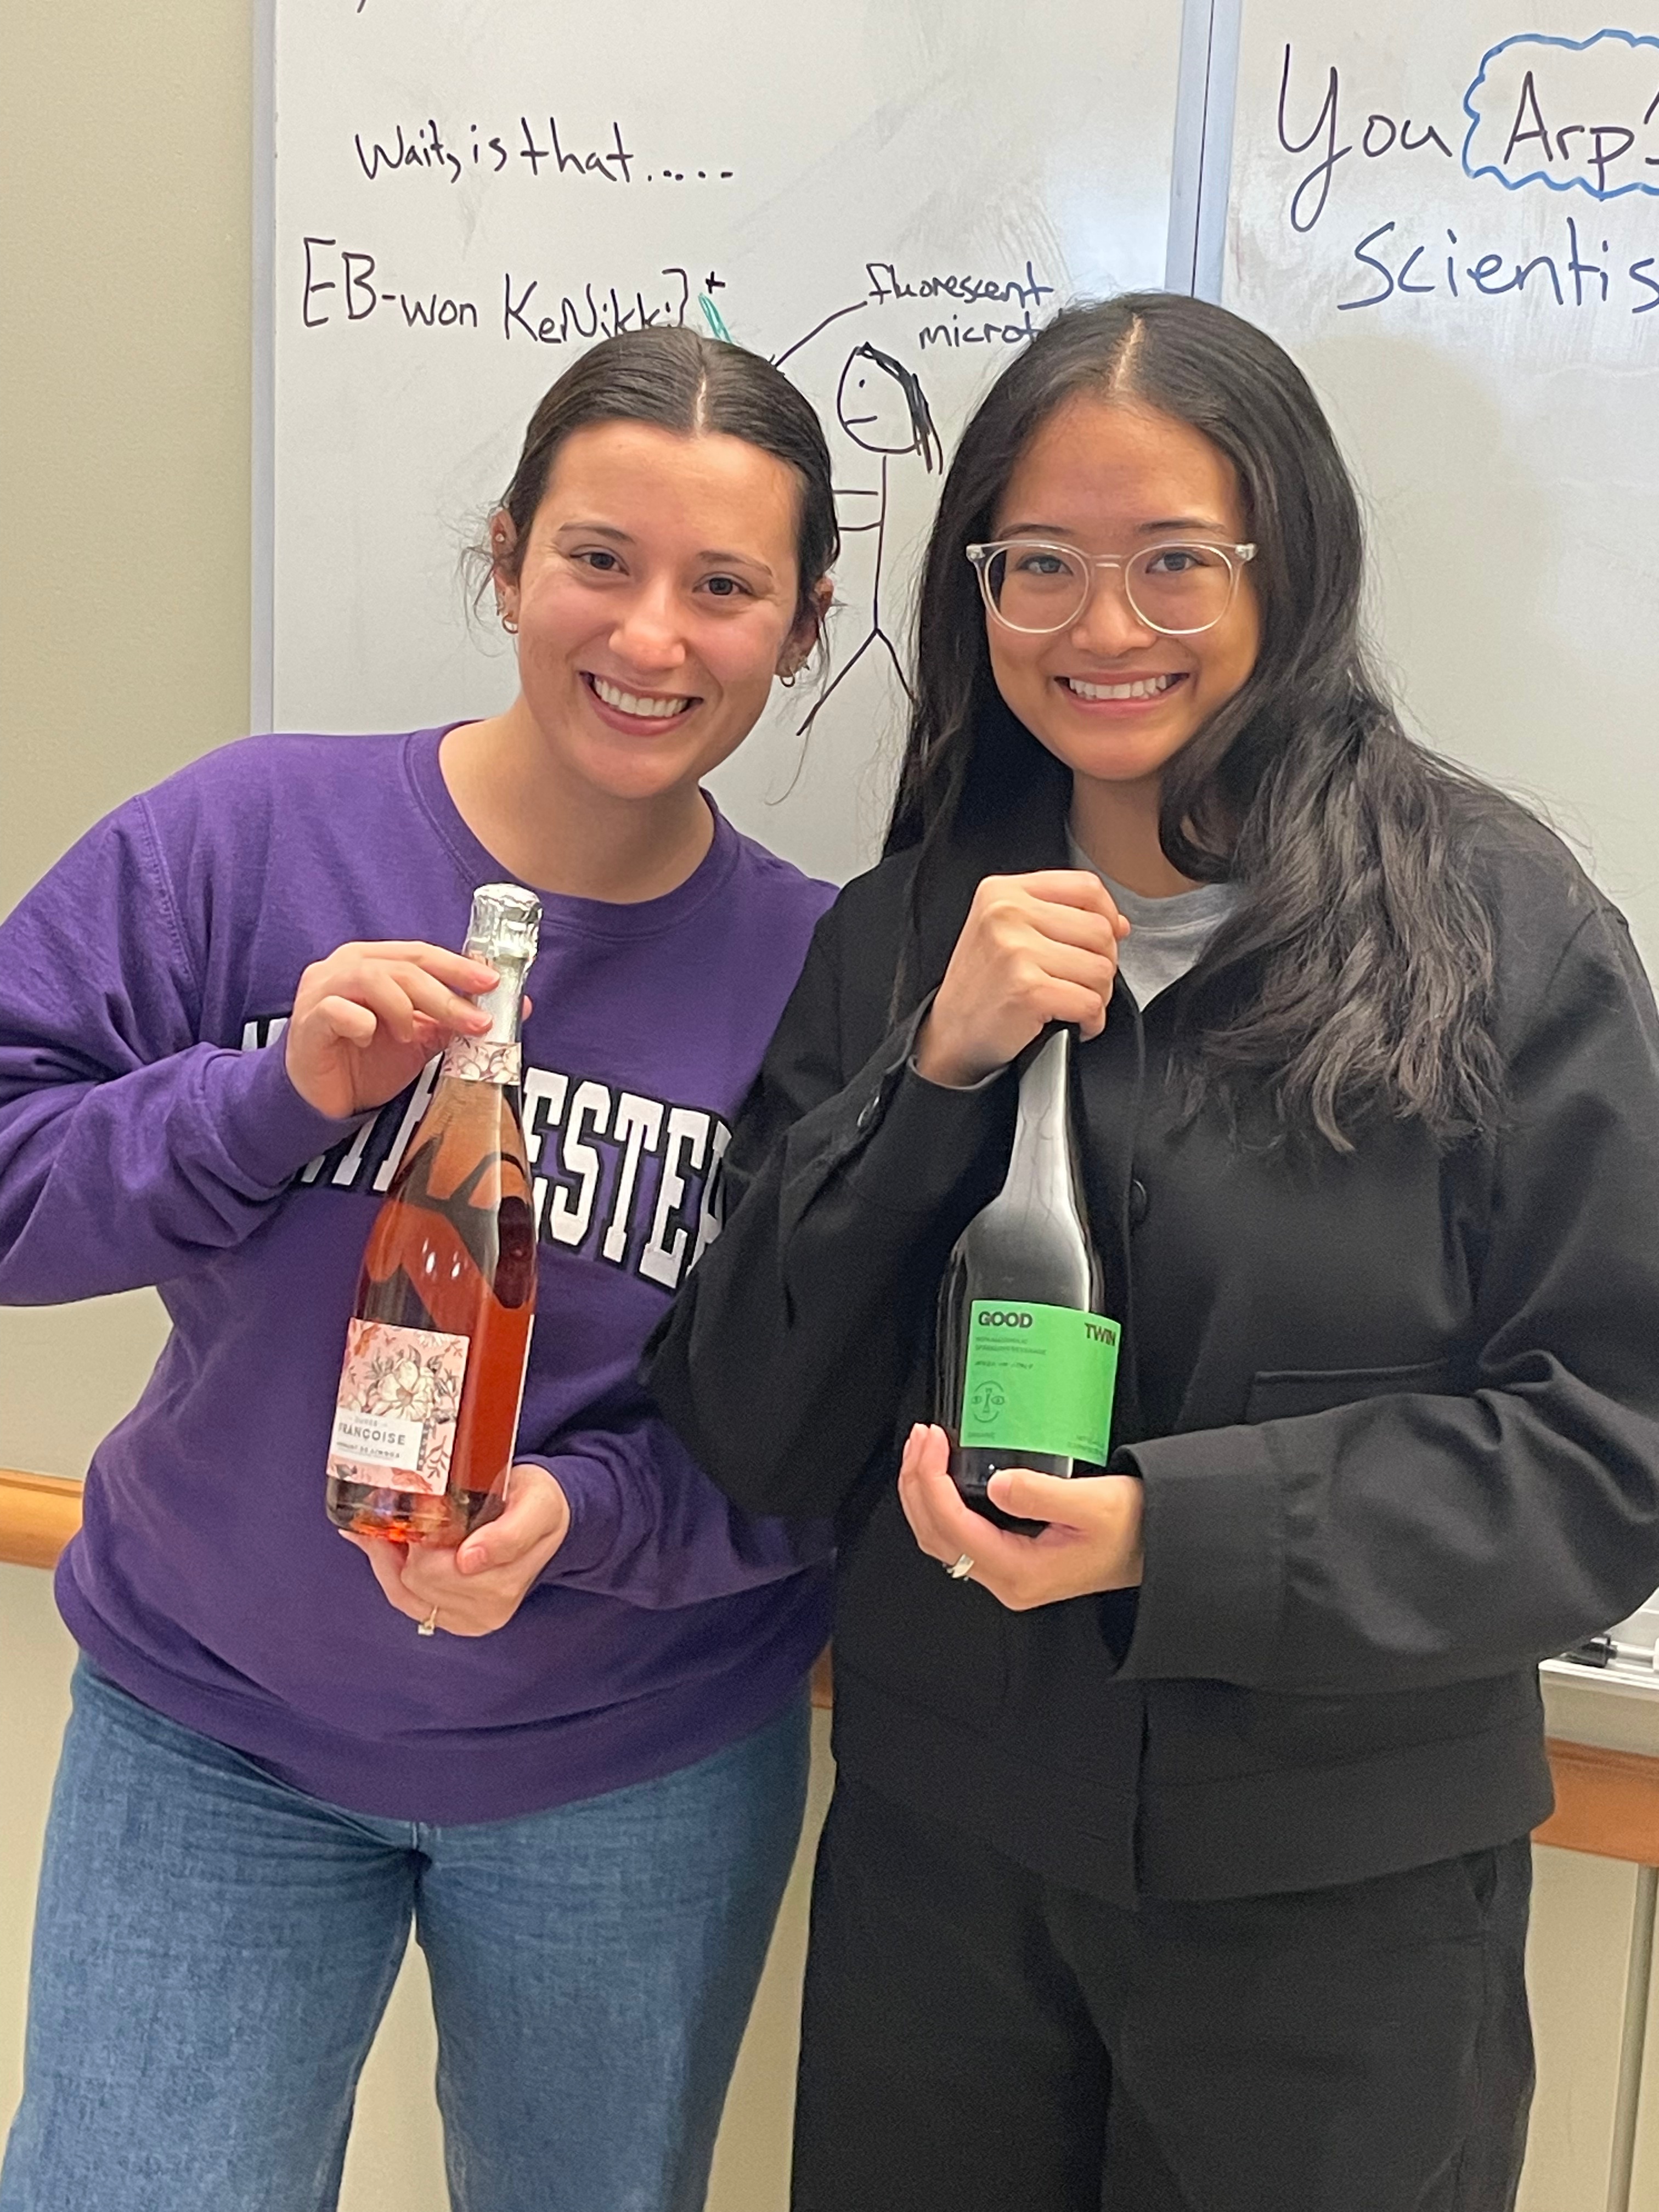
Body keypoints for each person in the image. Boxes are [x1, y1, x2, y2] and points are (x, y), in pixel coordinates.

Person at [648, 292, 1659, 2212]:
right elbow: (751, 1421)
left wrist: (1175, 1537)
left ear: (1292, 560)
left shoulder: (1496, 932)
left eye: (1176, 560)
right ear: (978, 589)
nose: (1103, 627)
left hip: (1343, 1913)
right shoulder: (900, 937)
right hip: (948, 1884)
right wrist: (930, 1079)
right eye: (1040, 563)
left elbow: (1612, 1444)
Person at [0, 325, 839, 2212]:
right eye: (599, 559)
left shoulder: (822, 978)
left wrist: (586, 1517)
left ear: (802, 628)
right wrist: (268, 1098)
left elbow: (830, 1431)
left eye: (725, 587)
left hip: (634, 1772)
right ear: (509, 556)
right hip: (207, 1732)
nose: (650, 637)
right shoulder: (251, 838)